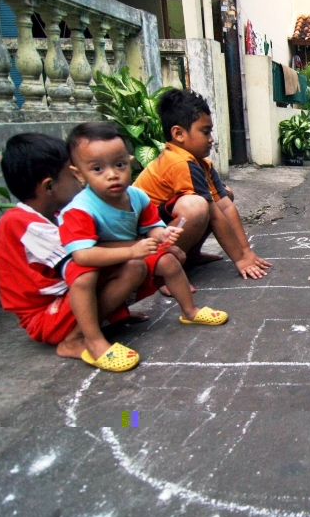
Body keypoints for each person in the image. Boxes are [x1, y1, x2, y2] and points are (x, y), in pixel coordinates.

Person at [59, 122, 229, 372]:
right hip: (92, 263)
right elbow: (83, 255)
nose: (112, 174)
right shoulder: (80, 209)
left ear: (129, 162)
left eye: (119, 165)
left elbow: (151, 225)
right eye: (97, 168)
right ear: (79, 174)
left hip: (128, 255)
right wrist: (132, 251)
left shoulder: (137, 196)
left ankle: (190, 311)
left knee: (169, 260)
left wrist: (163, 233)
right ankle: (91, 341)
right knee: (83, 279)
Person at [0, 133, 148, 363]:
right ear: (49, 186)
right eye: (73, 174)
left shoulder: (56, 214)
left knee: (133, 263)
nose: (82, 180)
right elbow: (84, 253)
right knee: (93, 268)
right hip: (44, 317)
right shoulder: (19, 222)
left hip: (63, 303)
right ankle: (75, 340)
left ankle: (107, 316)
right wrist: (139, 245)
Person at [133, 89, 271, 283]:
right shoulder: (180, 162)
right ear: (179, 133)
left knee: (225, 194)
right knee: (197, 207)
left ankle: (190, 255)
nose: (211, 138)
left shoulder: (200, 162)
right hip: (144, 234)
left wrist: (246, 251)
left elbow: (225, 205)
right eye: (205, 132)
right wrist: (240, 259)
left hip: (166, 223)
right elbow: (214, 215)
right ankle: (165, 273)